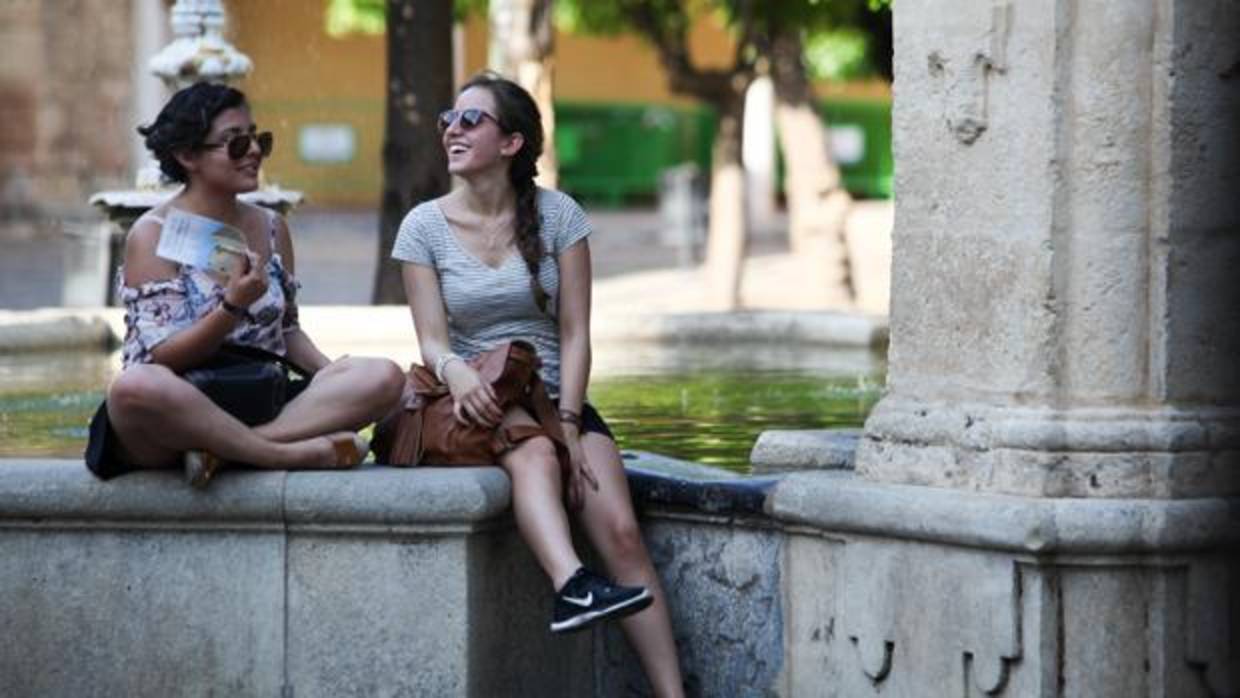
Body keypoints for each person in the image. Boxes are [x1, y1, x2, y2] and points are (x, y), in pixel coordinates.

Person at [392, 72, 685, 696]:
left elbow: (576, 333)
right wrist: (458, 371)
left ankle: (672, 693)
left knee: (623, 530)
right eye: (450, 117)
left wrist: (573, 424)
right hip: (477, 400)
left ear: (512, 143)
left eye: (472, 120)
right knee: (532, 454)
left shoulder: (559, 216)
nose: (452, 129)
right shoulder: (423, 226)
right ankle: (572, 584)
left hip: (555, 401)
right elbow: (432, 340)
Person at [85, 82, 404, 485]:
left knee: (383, 375)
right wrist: (231, 308)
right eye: (235, 143)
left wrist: (333, 375)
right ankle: (275, 454)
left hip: (258, 394)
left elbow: (286, 331)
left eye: (258, 139)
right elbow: (161, 358)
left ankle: (224, 453)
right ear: (187, 156)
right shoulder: (152, 234)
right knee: (132, 388)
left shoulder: (271, 227)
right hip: (176, 405)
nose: (253, 150)